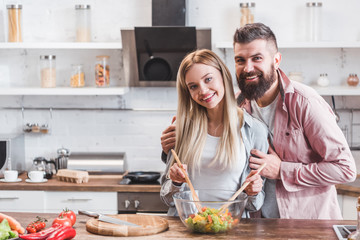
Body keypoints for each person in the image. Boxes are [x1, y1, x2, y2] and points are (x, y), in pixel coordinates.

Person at [161, 23, 357, 219]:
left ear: (276, 60)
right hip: (259, 224)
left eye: (257, 58)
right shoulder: (237, 105)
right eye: (240, 60)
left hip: (304, 223)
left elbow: (345, 169)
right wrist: (169, 147)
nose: (248, 68)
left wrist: (282, 170)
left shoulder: (305, 102)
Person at [160, 49, 269, 217]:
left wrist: (253, 192)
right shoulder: (181, 128)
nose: (203, 91)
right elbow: (167, 198)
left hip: (231, 227)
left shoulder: (255, 130)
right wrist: (175, 182)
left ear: (223, 76)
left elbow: (254, 205)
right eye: (193, 86)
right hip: (188, 227)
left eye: (208, 79)